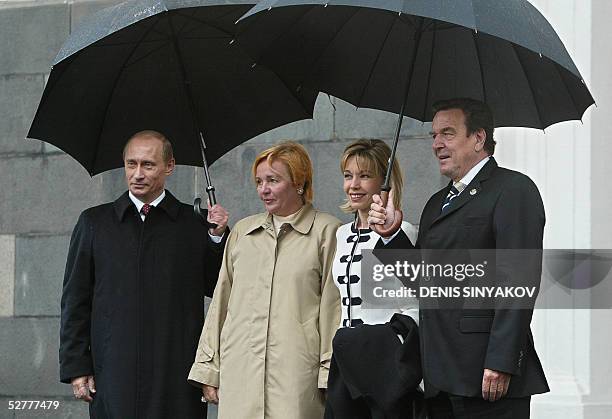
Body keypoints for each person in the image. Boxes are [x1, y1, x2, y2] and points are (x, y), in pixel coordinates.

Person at [369, 98, 549, 418]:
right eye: (434, 135)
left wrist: (501, 360)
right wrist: (392, 235)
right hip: (439, 376)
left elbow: (519, 281)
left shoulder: (513, 189)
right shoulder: (437, 203)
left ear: (479, 138)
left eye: (448, 134)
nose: (437, 143)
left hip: (487, 378)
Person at [59, 130, 229, 419]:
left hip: (176, 371)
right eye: (131, 164)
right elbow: (75, 299)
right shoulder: (94, 223)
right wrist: (77, 367)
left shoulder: (193, 224)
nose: (137, 174)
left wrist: (217, 236)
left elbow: (218, 288)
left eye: (148, 165)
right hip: (113, 371)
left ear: (170, 166)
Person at [188, 141, 342, 419]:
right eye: (259, 181)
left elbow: (333, 309)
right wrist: (209, 367)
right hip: (240, 375)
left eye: (273, 180)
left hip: (296, 377)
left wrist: (329, 373)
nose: (264, 189)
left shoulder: (328, 231)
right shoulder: (243, 232)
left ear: (299, 182)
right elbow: (221, 304)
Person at [324, 139, 422, 419]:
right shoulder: (341, 234)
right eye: (348, 175)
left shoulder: (403, 232)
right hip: (345, 364)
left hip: (385, 366)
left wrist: (393, 345)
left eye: (364, 176)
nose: (354, 185)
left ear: (384, 183)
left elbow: (416, 304)